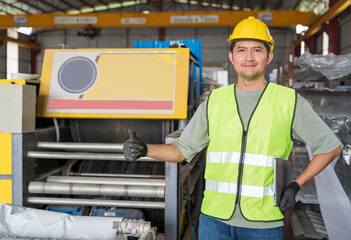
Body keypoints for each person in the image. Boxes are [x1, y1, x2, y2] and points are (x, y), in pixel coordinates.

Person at [123, 16, 341, 240]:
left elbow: (330, 147)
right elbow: (182, 150)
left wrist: (297, 184)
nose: (249, 57)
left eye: (257, 50)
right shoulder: (215, 101)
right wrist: (145, 150)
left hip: (263, 223)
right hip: (214, 221)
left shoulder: (289, 101)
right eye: (241, 50)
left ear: (269, 56)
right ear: (231, 56)